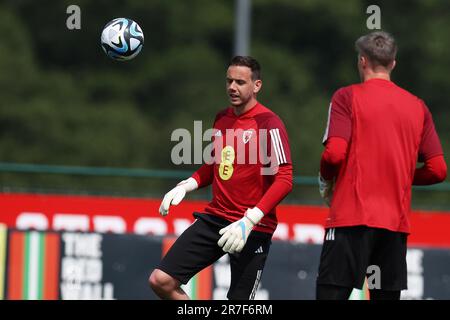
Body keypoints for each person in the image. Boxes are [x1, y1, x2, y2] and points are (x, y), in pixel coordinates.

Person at [149, 56, 293, 300]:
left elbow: (285, 178)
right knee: (161, 281)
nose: (232, 88)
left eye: (240, 82)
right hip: (216, 219)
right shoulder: (223, 118)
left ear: (257, 86)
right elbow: (216, 163)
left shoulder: (269, 123)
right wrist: (187, 185)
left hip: (252, 228)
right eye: (229, 81)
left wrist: (250, 220)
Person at [316, 31, 447, 300]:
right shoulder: (417, 106)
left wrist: (326, 179)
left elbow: (334, 155)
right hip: (393, 226)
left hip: (350, 220)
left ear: (362, 61)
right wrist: (397, 174)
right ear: (393, 63)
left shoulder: (346, 97)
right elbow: (438, 170)